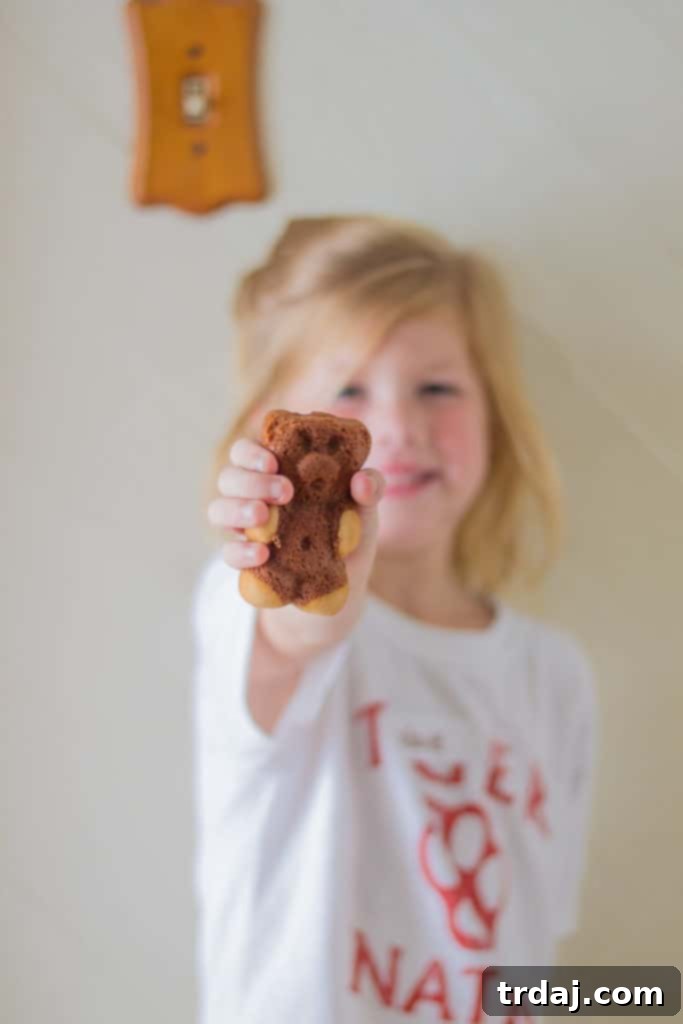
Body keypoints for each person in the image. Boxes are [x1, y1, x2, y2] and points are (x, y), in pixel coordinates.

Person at [191, 214, 599, 1024]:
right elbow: (297, 631)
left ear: (494, 412)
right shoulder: (259, 606)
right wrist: (302, 579)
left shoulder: (554, 678)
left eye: (437, 388)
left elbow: (536, 940)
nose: (400, 428)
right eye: (348, 392)